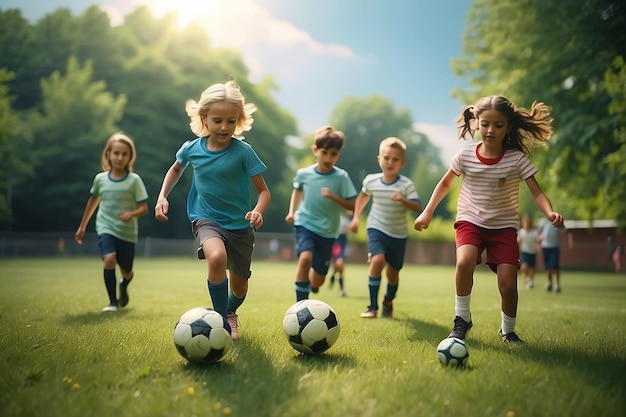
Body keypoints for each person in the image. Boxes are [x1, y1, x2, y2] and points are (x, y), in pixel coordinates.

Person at [414, 96, 564, 343]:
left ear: (509, 127)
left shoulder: (516, 159)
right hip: (470, 220)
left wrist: (549, 213)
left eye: (498, 125)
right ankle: (461, 320)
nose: (490, 130)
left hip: (503, 228)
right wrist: (428, 211)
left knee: (508, 284)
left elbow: (536, 192)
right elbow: (445, 184)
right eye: (485, 124)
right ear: (476, 123)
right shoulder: (465, 155)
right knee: (464, 262)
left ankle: (508, 331)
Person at [155, 80, 270, 340]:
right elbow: (175, 169)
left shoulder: (244, 152)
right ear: (204, 118)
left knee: (240, 288)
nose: (224, 127)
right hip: (206, 219)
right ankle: (221, 324)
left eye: (231, 121)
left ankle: (230, 311)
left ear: (239, 120)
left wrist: (258, 211)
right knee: (216, 258)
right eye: (218, 120)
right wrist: (163, 196)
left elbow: (264, 191)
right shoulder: (192, 149)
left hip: (240, 226)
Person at [349, 137, 421, 318]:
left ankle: (388, 301)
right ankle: (372, 307)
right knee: (377, 260)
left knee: (393, 274)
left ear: (402, 163)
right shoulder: (371, 181)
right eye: (386, 157)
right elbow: (363, 197)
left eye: (395, 159)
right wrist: (356, 218)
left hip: (398, 234)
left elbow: (417, 206)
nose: (390, 162)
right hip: (376, 227)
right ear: (379, 159)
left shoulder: (406, 185)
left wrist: (402, 199)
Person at [75, 133, 149, 312]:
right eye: (116, 153)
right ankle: (112, 302)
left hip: (127, 232)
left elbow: (144, 208)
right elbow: (93, 202)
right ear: (108, 154)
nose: (120, 157)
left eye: (124, 154)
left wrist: (131, 214)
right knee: (109, 259)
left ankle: (124, 284)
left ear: (130, 157)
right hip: (105, 226)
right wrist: (82, 226)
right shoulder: (100, 179)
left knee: (127, 271)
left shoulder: (134, 180)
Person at [285, 125, 357, 302]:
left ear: (338, 155)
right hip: (305, 223)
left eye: (333, 154)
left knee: (318, 279)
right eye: (324, 152)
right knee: (304, 259)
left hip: (328, 231)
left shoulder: (341, 177)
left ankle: (313, 286)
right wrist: (291, 212)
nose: (328, 158)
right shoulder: (304, 174)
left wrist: (334, 197)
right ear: (315, 150)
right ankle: (301, 306)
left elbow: (353, 205)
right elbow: (297, 190)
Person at [537, 218, 564, 293]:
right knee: (547, 266)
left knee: (554, 265)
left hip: (554, 246)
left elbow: (563, 230)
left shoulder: (556, 221)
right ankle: (549, 283)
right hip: (545, 246)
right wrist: (539, 238)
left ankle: (557, 284)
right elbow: (538, 231)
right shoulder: (543, 221)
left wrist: (561, 223)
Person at [329, 210, 352, 297]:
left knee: (340, 264)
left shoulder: (345, 219)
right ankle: (333, 275)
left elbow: (350, 228)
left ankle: (341, 289)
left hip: (341, 242)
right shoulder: (332, 217)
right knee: (336, 265)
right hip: (334, 241)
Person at [517, 214, 538, 289]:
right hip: (525, 252)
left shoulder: (534, 232)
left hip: (532, 252)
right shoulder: (521, 232)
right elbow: (518, 242)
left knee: (531, 268)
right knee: (524, 267)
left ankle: (531, 281)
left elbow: (537, 241)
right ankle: (525, 280)